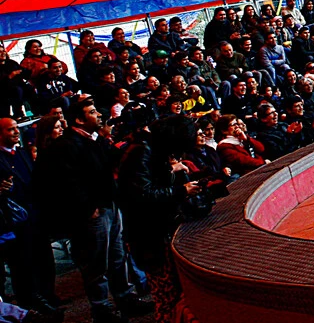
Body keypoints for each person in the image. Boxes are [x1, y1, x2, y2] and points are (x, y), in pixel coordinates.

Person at [35, 97, 153, 323]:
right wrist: (88, 208)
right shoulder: (66, 145)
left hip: (110, 205)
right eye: (92, 112)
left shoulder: (95, 139)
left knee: (117, 256)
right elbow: (67, 182)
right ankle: (101, 309)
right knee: (96, 263)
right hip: (92, 213)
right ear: (79, 120)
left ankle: (125, 298)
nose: (99, 115)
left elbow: (110, 164)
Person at [117, 114, 204, 323]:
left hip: (159, 231)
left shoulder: (151, 149)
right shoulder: (141, 152)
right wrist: (181, 191)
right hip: (150, 236)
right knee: (166, 295)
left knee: (175, 293)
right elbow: (143, 195)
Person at [0, 117, 58, 316]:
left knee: (44, 259)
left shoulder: (22, 153)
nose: (16, 132)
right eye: (10, 129)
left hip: (35, 215)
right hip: (15, 221)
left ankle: (48, 296)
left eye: (16, 128)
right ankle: (30, 305)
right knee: (23, 265)